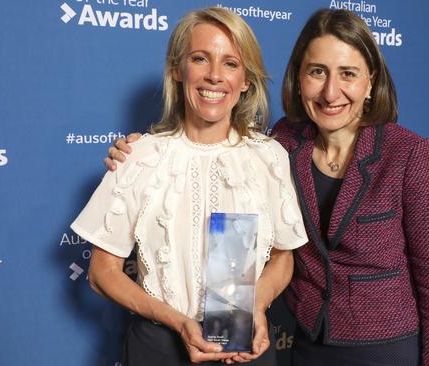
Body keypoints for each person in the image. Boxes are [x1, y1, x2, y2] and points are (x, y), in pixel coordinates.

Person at [107, 9, 429, 366]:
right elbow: (215, 149)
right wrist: (143, 150)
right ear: (299, 78)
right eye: (317, 72)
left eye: (348, 74)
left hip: (387, 350)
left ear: (371, 81)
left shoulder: (412, 157)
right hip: (305, 346)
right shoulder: (283, 144)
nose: (330, 91)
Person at [72, 7, 308, 366]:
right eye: (200, 59)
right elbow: (101, 273)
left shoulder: (270, 157)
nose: (214, 76)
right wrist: (178, 322)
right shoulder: (139, 156)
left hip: (245, 345)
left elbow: (283, 257)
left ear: (246, 80)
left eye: (230, 63)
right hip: (158, 347)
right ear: (177, 70)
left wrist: (256, 305)